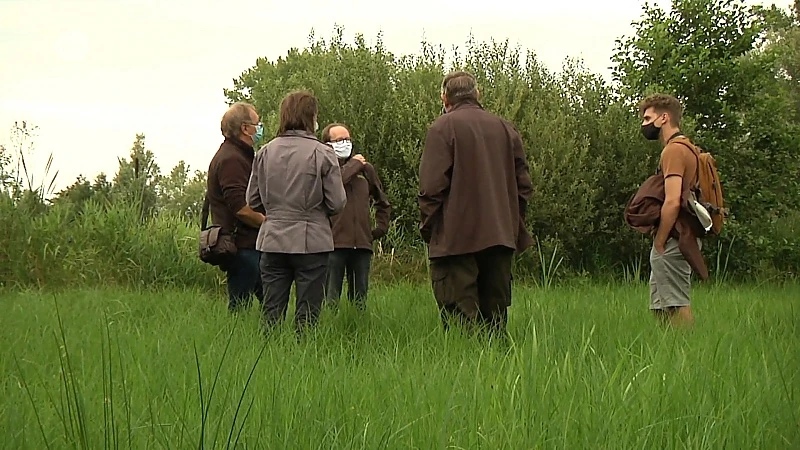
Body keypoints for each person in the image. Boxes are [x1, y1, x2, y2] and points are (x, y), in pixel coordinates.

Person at [417, 71, 534, 336]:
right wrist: (511, 225)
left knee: (461, 325)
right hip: (500, 238)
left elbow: (431, 187)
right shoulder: (505, 128)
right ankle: (500, 375)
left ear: (444, 97)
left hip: (455, 240)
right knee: (495, 323)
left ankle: (469, 374)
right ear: (477, 94)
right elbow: (524, 187)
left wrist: (430, 229)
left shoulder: (442, 128)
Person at [246, 90, 347, 334]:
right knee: (308, 315)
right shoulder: (324, 154)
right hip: (312, 241)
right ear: (311, 117)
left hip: (272, 240)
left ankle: (267, 363)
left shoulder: (265, 153)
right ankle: (303, 363)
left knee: (271, 313)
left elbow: (252, 199)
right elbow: (337, 203)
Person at [637, 93, 705, 327]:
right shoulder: (688, 148)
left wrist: (661, 240)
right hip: (679, 235)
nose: (644, 124)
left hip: (675, 237)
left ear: (664, 118)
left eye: (648, 118)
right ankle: (669, 354)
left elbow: (673, 200)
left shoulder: (674, 150)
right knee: (662, 305)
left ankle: (692, 352)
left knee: (676, 304)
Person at [320, 122, 392, 310]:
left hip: (361, 244)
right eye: (339, 140)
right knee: (330, 299)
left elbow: (382, 201)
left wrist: (379, 229)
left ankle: (357, 329)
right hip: (333, 244)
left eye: (347, 139)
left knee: (359, 301)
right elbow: (336, 183)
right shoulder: (325, 169)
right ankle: (329, 333)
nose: (345, 143)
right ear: (327, 144)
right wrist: (353, 165)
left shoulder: (365, 170)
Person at [206, 101, 266, 312]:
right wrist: (269, 224)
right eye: (257, 124)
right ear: (245, 128)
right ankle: (236, 342)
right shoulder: (232, 159)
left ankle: (270, 339)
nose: (260, 128)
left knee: (271, 301)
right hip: (242, 245)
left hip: (249, 244)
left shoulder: (238, 154)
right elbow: (240, 208)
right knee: (240, 306)